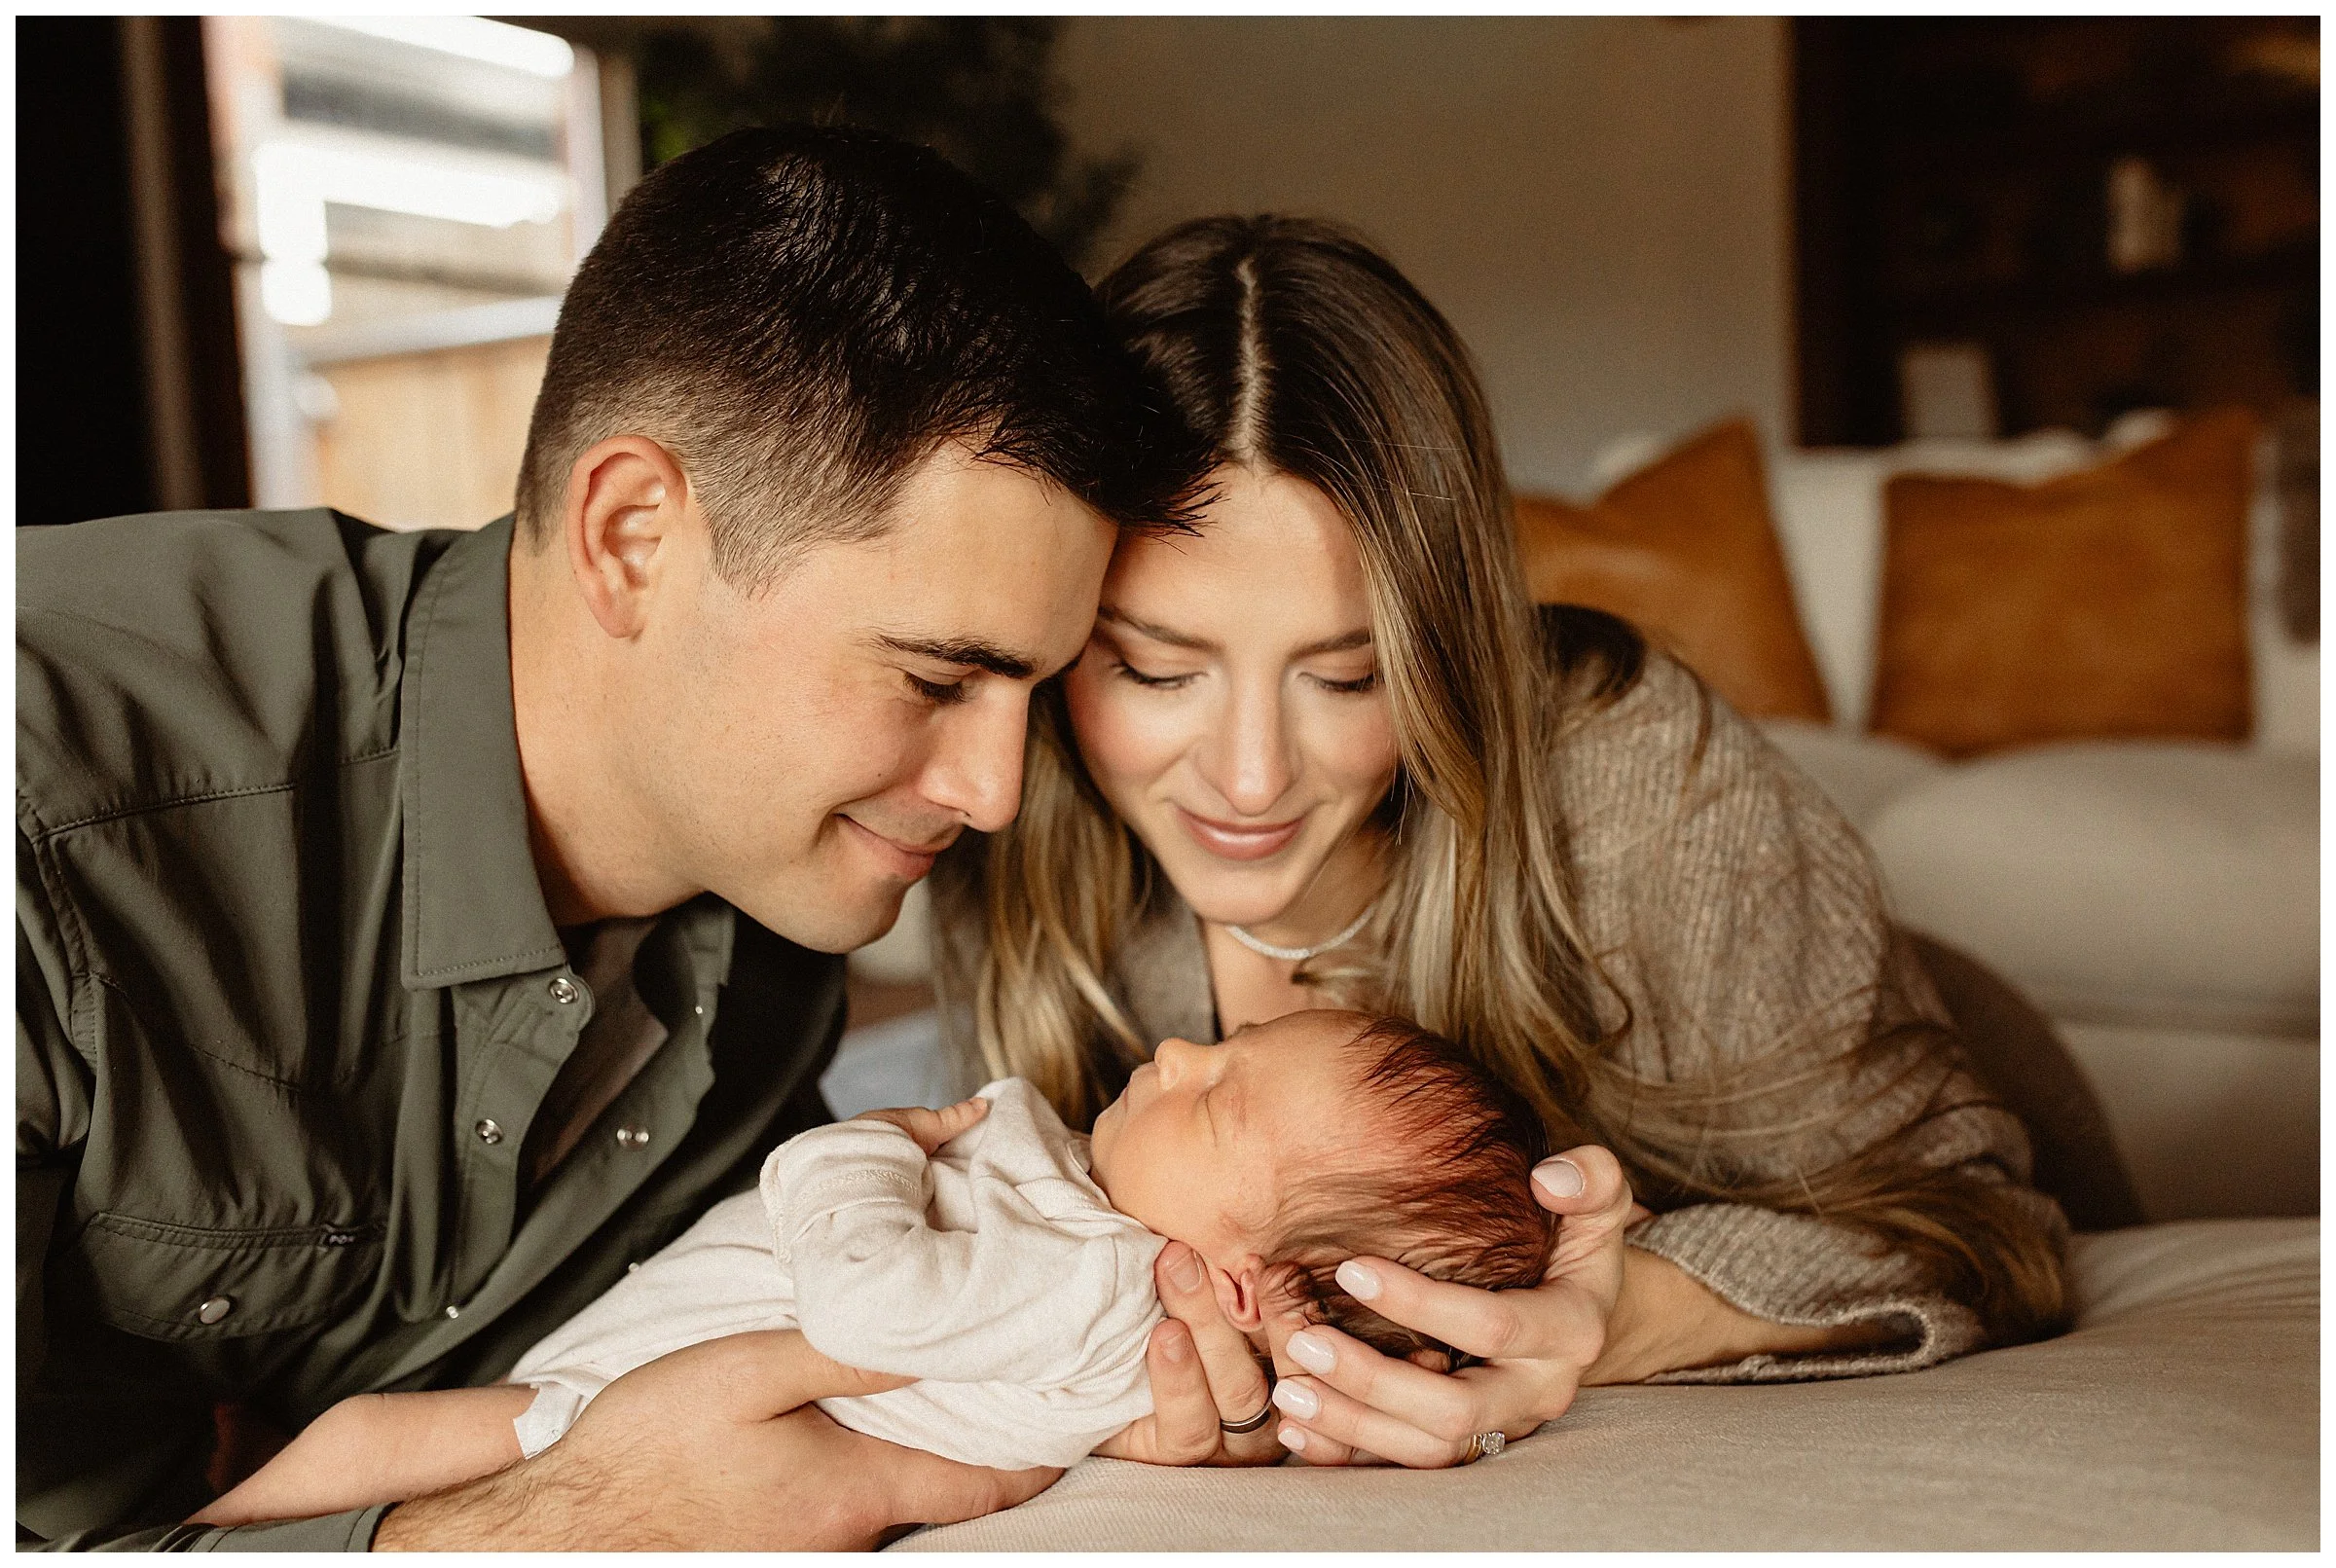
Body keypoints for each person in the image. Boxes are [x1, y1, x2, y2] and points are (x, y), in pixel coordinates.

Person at [15, 126, 1212, 1550]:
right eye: (937, 678)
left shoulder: (769, 933)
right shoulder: (56, 807)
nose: (997, 789)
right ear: (635, 534)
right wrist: (537, 1527)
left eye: (1031, 689)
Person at [928, 215, 2073, 1471]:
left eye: (1352, 676)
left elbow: (1994, 1226)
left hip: (1946, 1047)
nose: (1250, 777)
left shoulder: (1636, 780)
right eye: (1154, 669)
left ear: (1445, 652)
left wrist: (1624, 1312)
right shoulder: (1014, 806)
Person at [196, 1009, 1604, 1527]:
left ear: (1232, 1288)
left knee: (367, 1439)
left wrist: (856, 1148)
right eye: (1219, 1048)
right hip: (619, 1387)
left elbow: (866, 1297)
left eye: (1218, 1100)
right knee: (360, 1447)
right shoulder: (1087, 1221)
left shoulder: (1101, 1279)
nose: (1177, 1053)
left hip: (604, 1412)